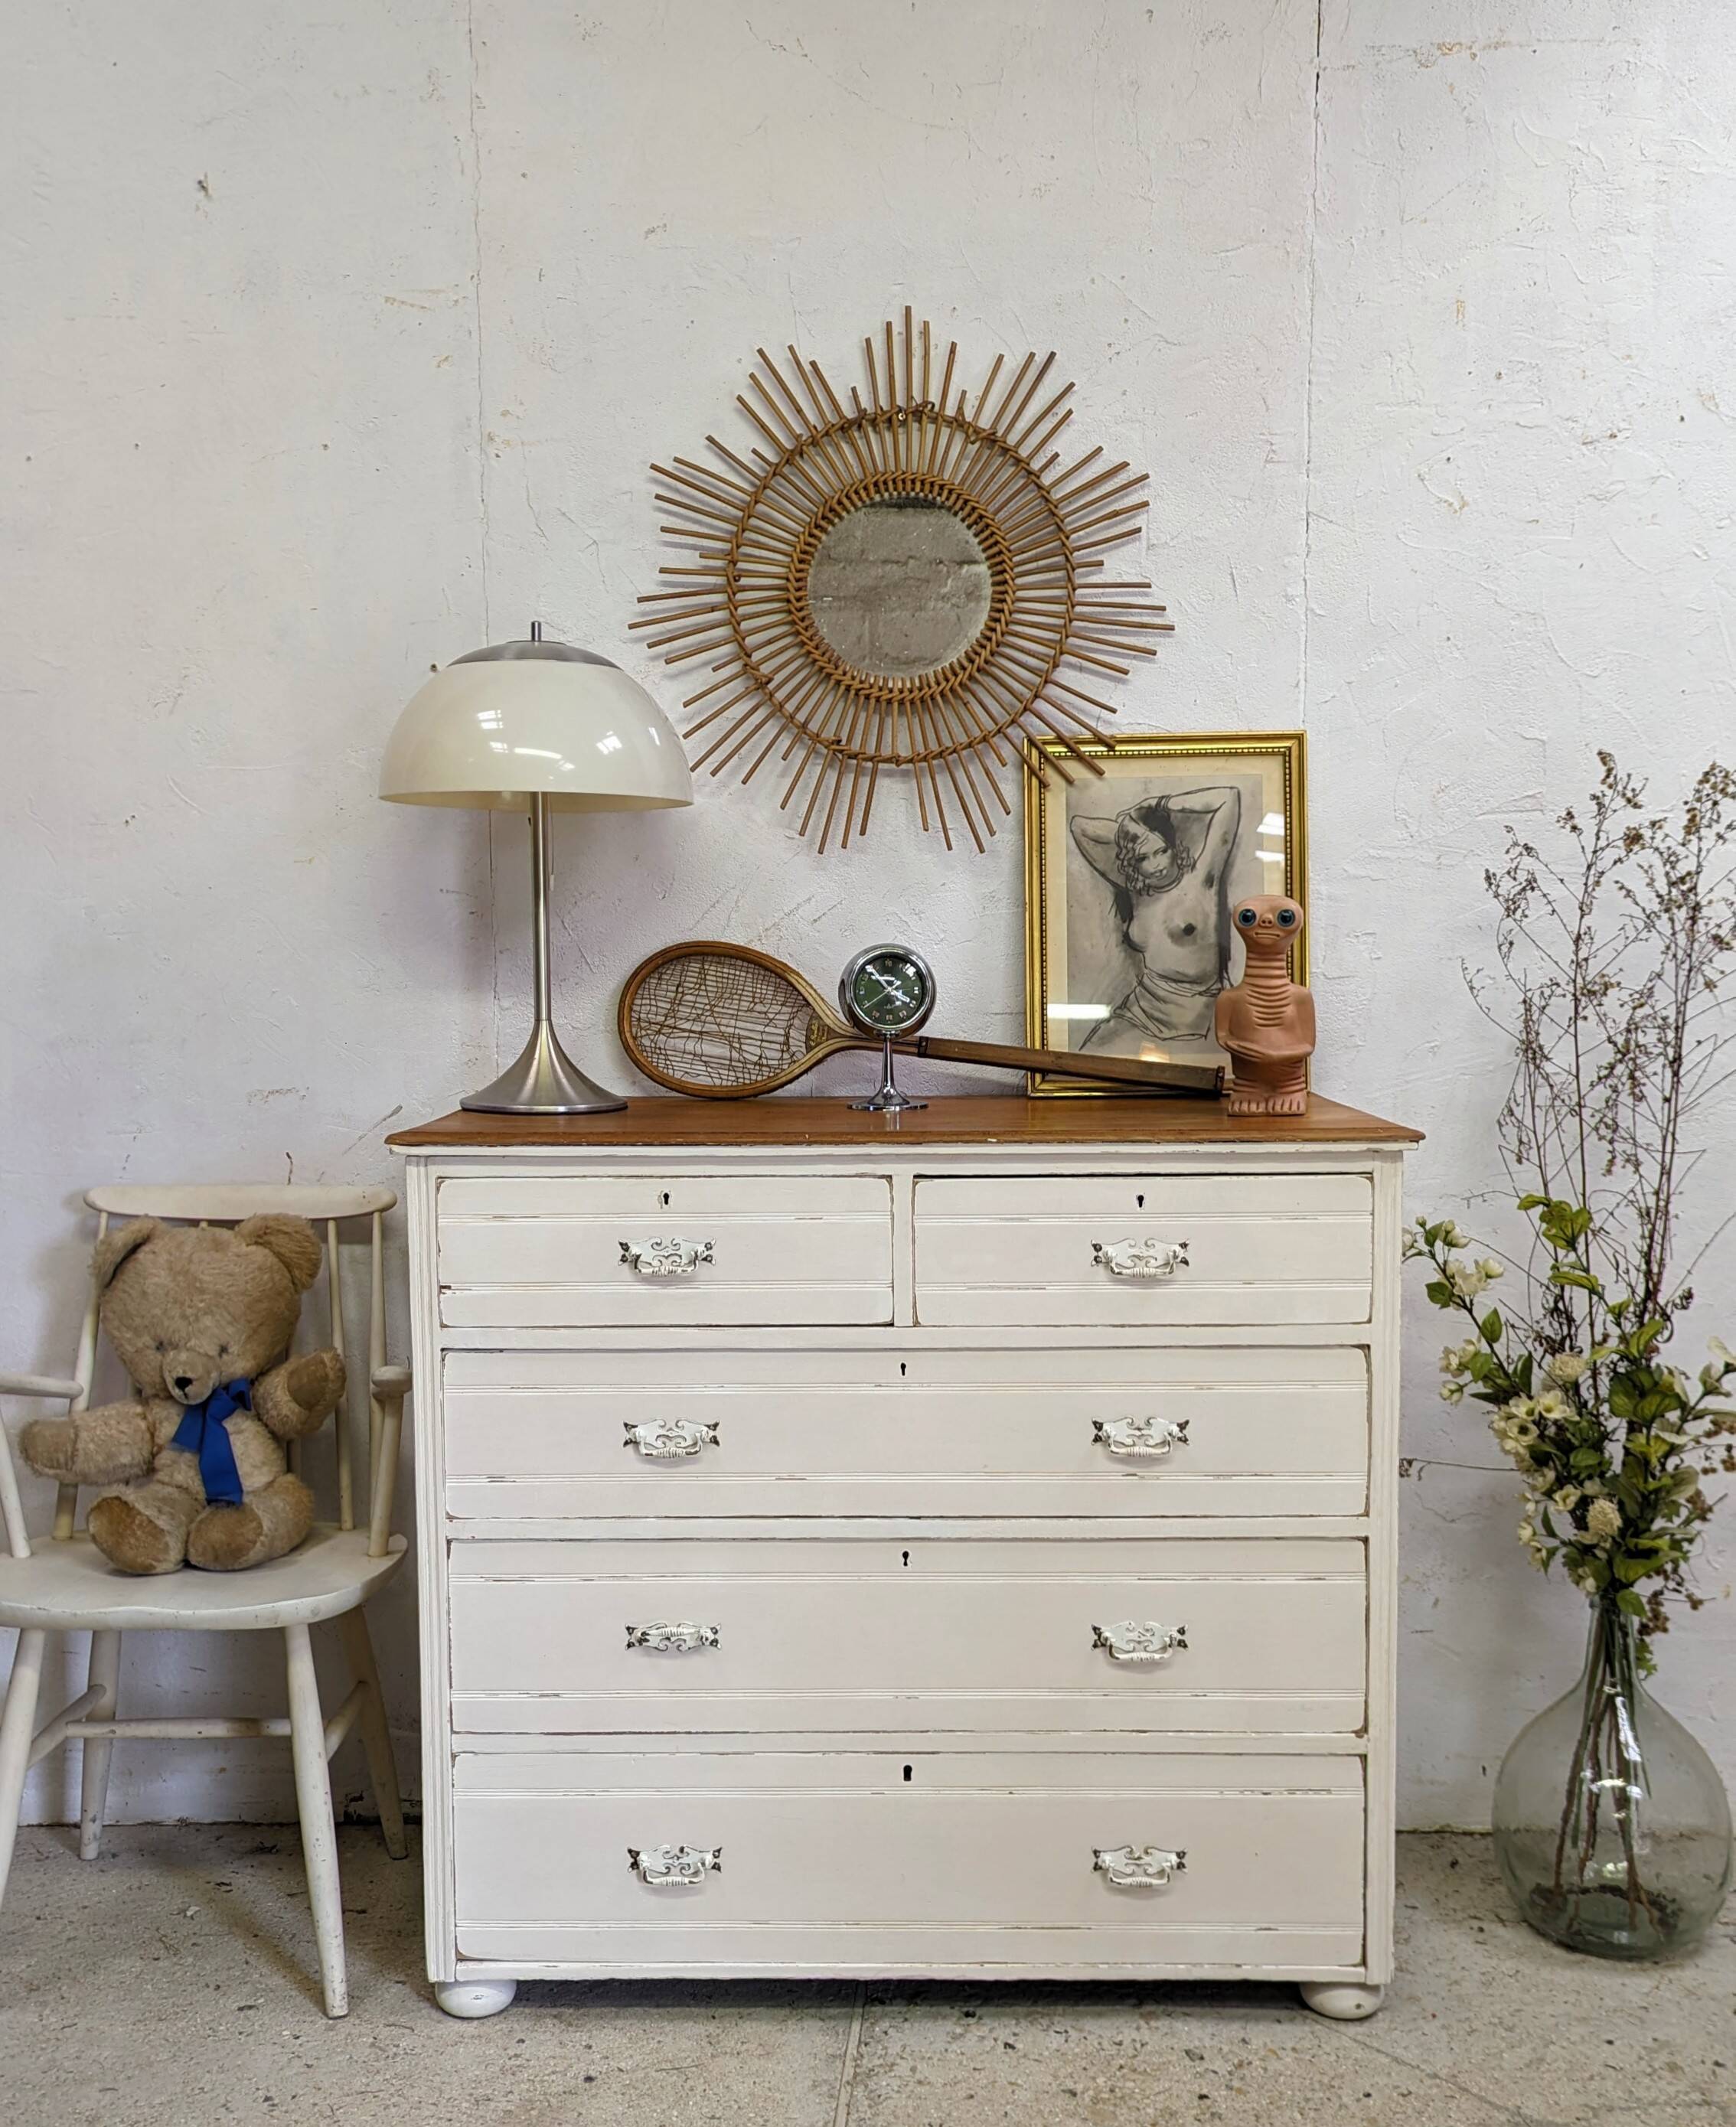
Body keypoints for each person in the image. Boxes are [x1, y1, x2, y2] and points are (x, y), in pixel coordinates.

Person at [1069, 784, 1242, 1051]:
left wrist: (1156, 804)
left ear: (1174, 847)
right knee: (1087, 1057)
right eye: (1143, 858)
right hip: (1144, 1005)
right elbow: (1079, 827)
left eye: (1161, 851)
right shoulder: (1137, 889)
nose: (1156, 865)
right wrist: (1129, 829)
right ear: (1133, 862)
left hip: (1198, 1011)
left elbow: (1228, 798)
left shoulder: (1202, 878)